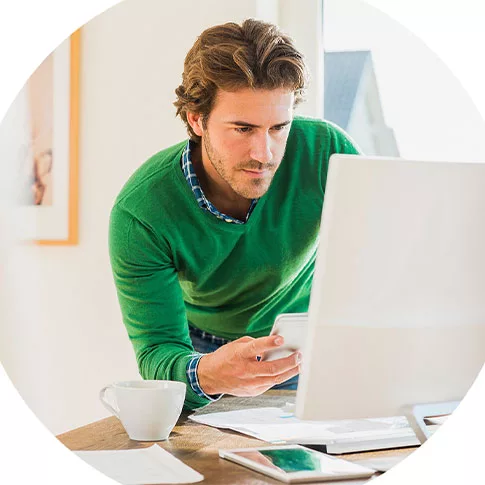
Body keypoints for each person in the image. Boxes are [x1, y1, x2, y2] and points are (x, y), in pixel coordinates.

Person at [109, 19, 360, 410]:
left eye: (279, 127)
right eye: (243, 129)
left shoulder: (327, 150)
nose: (264, 153)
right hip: (205, 352)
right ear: (197, 119)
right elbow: (158, 351)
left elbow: (380, 250)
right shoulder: (140, 213)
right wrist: (207, 373)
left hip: (307, 343)